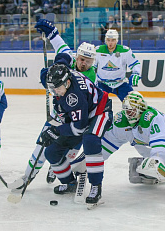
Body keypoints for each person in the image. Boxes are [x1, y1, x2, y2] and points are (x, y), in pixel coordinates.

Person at [9, 20, 101, 194]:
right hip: (58, 116)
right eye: (82, 59)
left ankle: (59, 169)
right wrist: (53, 34)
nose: (84, 64)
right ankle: (27, 177)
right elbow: (63, 49)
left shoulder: (90, 77)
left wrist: (47, 77)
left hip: (79, 121)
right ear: (77, 57)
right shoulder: (69, 62)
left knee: (66, 154)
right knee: (42, 146)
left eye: (88, 61)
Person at [94, 29, 142, 101]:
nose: (110, 43)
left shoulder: (125, 51)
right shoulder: (97, 50)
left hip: (120, 83)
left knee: (132, 103)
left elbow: (135, 64)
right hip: (102, 84)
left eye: (113, 40)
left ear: (117, 40)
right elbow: (91, 66)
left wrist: (136, 73)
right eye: (108, 40)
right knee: (96, 104)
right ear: (105, 40)